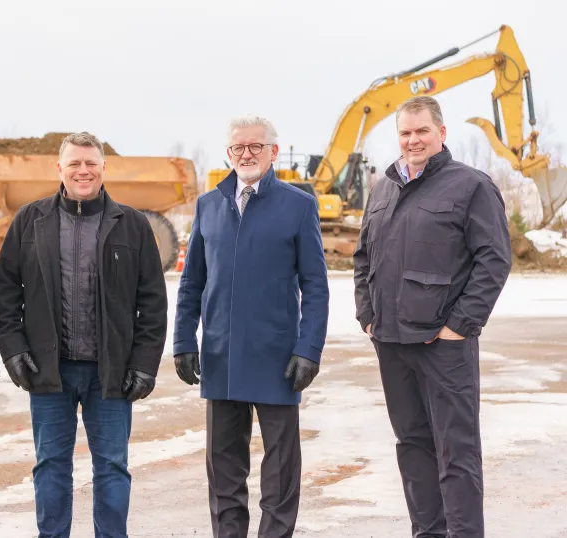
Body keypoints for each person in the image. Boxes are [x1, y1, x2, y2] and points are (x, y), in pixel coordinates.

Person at [0, 131, 169, 537]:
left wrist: (143, 364)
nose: (83, 171)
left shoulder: (133, 225)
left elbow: (153, 304)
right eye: (74, 163)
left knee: (112, 466)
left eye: (91, 163)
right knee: (51, 465)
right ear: (60, 168)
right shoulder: (30, 221)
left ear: (104, 168)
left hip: (111, 374)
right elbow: (5, 295)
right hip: (48, 370)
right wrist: (14, 350)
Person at [353, 95, 512, 537]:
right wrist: (367, 316)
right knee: (412, 446)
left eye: (422, 131)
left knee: (456, 452)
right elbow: (364, 258)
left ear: (441, 133)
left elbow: (494, 260)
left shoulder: (470, 186)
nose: (413, 140)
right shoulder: (383, 188)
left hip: (444, 347)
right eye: (405, 132)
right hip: (391, 342)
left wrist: (460, 326)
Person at [172, 115, 329, 538]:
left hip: (279, 358)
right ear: (228, 153)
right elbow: (192, 283)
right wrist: (184, 340)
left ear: (273, 152)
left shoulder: (298, 206)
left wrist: (309, 348)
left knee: (280, 472)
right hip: (220, 357)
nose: (246, 154)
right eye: (238, 147)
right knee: (224, 472)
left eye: (256, 147)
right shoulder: (209, 206)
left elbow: (316, 286)